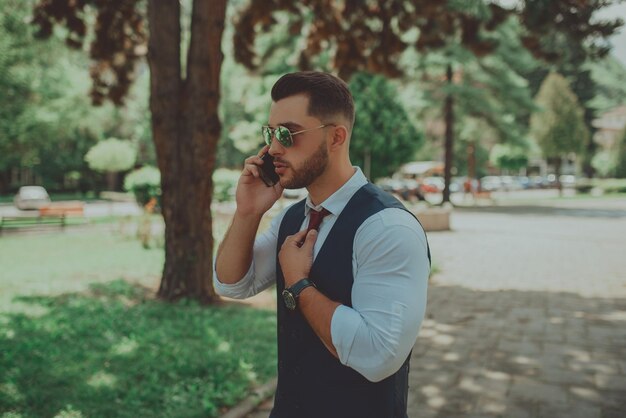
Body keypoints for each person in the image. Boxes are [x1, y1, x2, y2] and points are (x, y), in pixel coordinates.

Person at [214, 71, 430, 418]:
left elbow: (378, 356)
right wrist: (247, 212)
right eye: (270, 133)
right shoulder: (290, 218)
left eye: (288, 133)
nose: (273, 148)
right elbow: (231, 283)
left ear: (336, 137)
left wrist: (300, 285)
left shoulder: (388, 227)